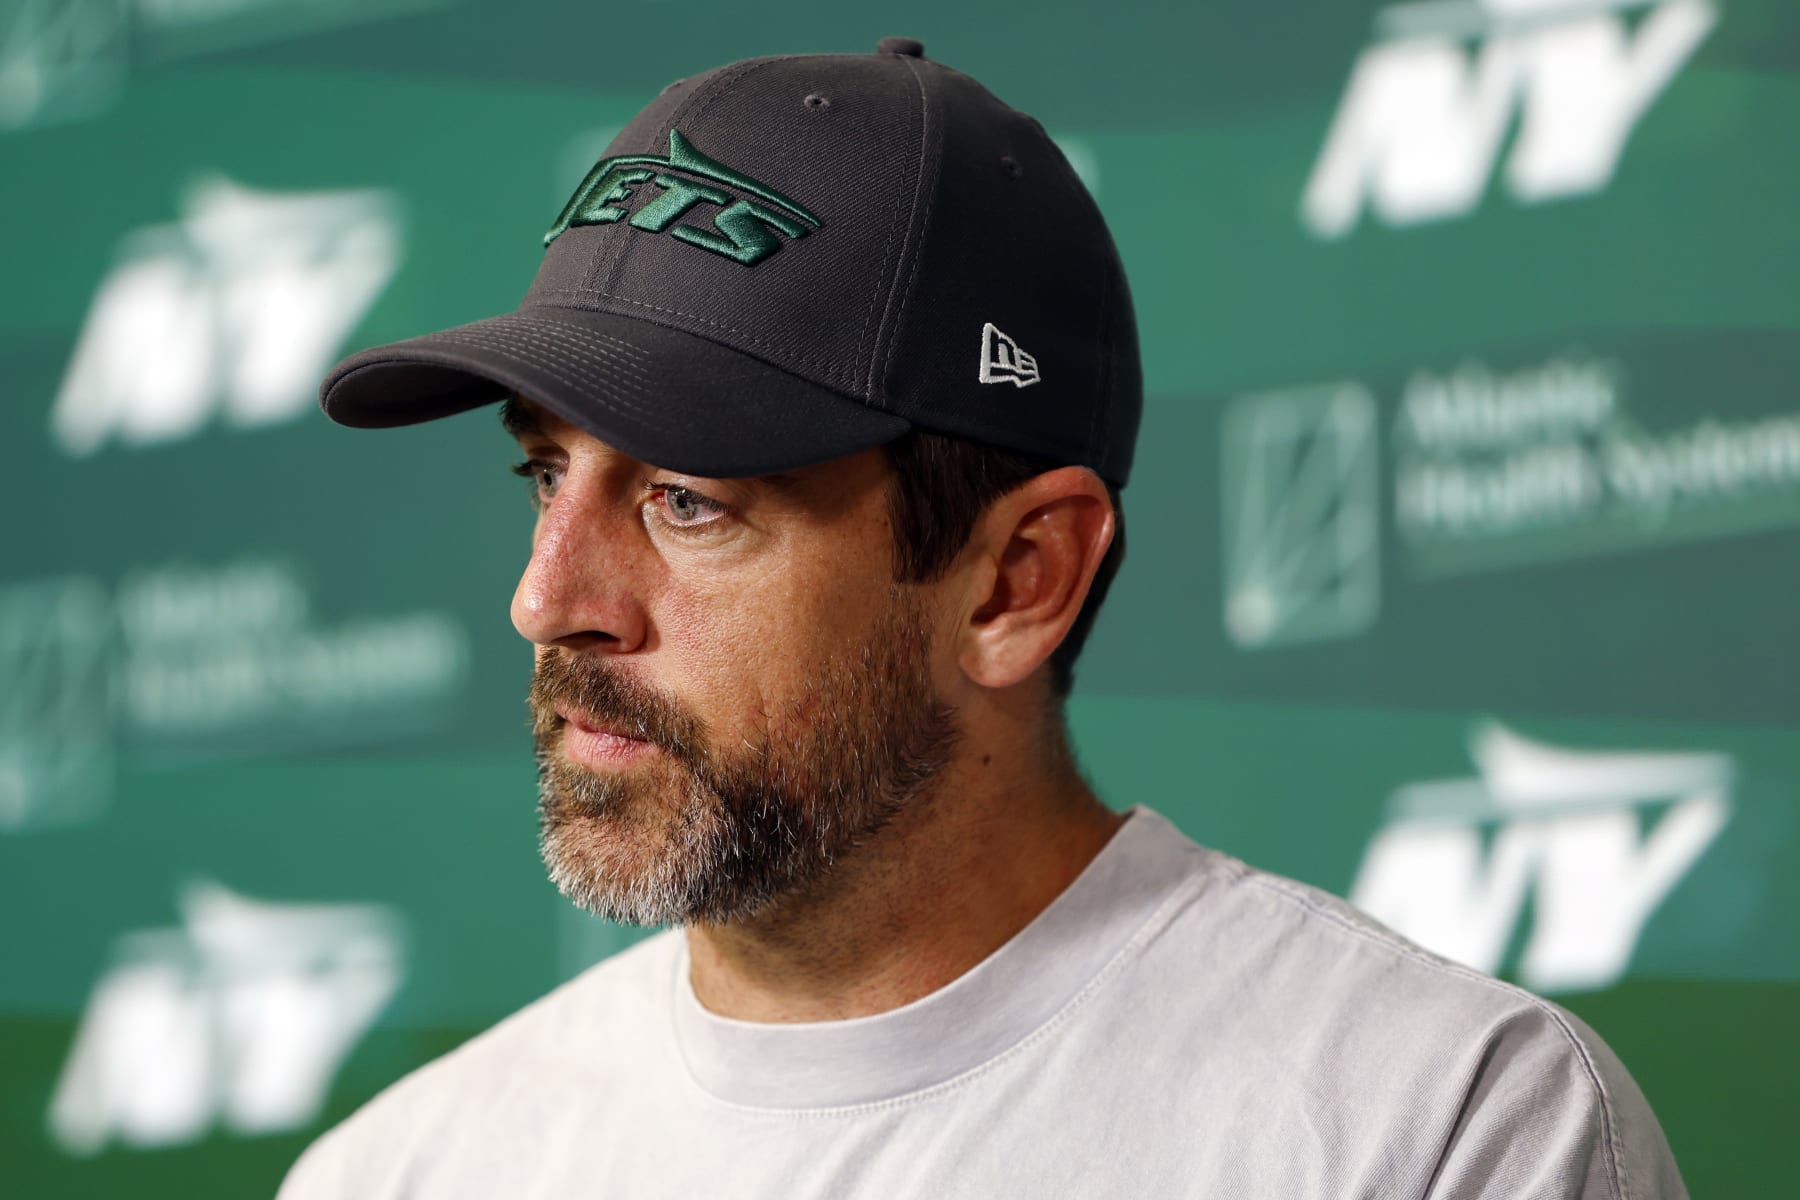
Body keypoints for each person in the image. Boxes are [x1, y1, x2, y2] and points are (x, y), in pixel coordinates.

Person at [279, 38, 1686, 1199]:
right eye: (547, 473)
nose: (548, 600)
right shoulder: (396, 1175)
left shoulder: (1442, 1128)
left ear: (1020, 580)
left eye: (688, 501)